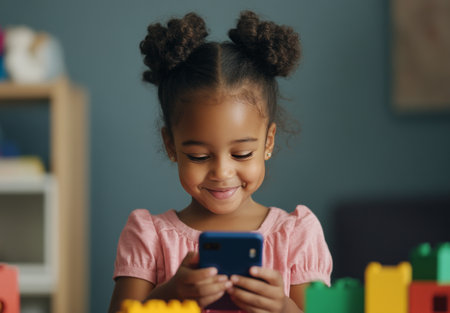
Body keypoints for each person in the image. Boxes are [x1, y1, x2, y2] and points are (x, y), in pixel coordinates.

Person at [108, 10, 332, 313]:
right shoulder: (149, 236)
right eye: (199, 156)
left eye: (241, 154)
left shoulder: (296, 234)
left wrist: (282, 307)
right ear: (171, 145)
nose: (222, 172)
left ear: (268, 142)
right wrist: (171, 293)